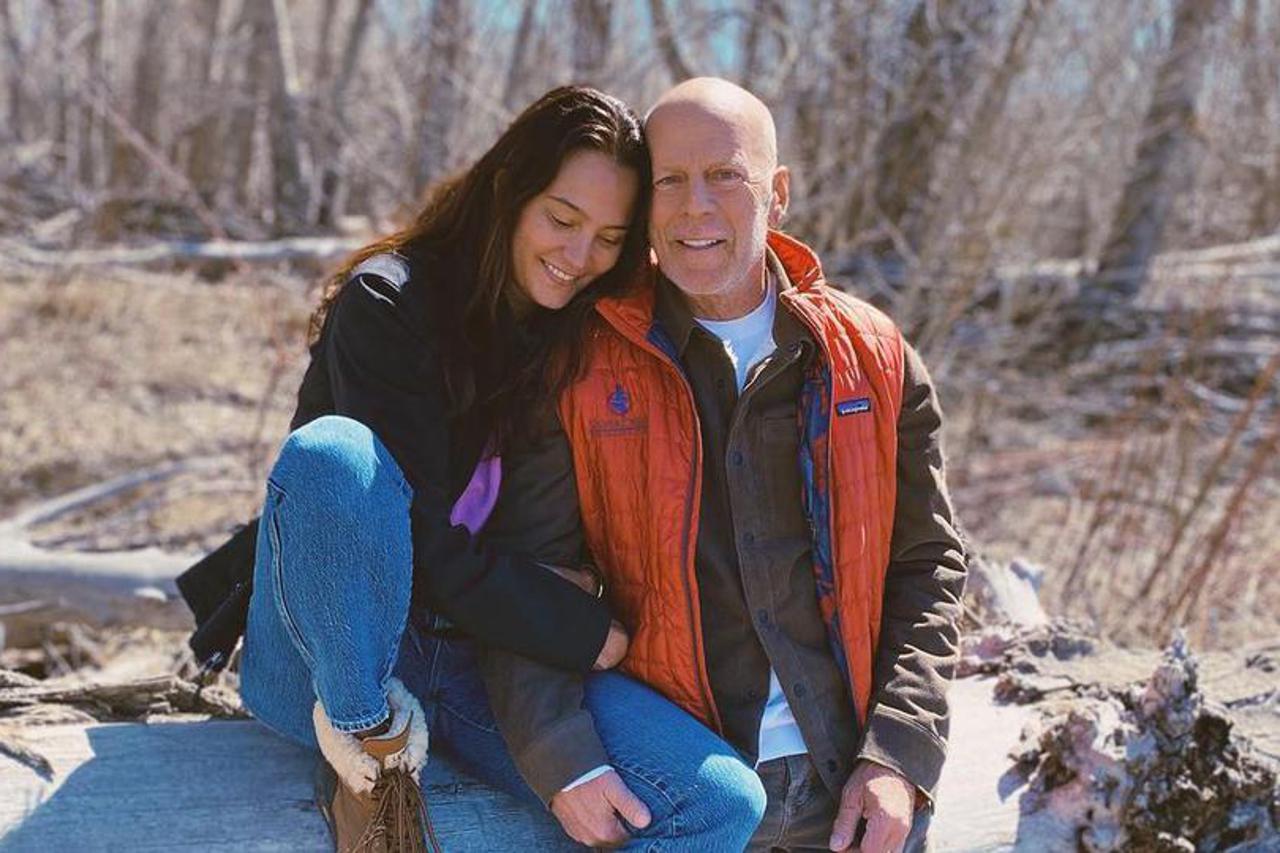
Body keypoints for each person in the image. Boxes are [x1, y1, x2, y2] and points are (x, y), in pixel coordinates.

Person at [479, 77, 968, 853]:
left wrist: (900, 755)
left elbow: (928, 564)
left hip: (853, 792)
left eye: (724, 176)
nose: (694, 207)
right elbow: (531, 578)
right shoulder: (579, 364)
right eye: (669, 180)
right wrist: (562, 756)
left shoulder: (872, 357)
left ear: (779, 194)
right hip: (681, 795)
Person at [176, 85, 649, 851]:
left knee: (701, 799)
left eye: (609, 237)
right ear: (509, 191)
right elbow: (421, 543)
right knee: (335, 455)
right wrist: (580, 621)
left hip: (457, 657)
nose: (578, 255)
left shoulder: (567, 337)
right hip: (328, 657)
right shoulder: (389, 303)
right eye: (562, 219)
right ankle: (372, 761)